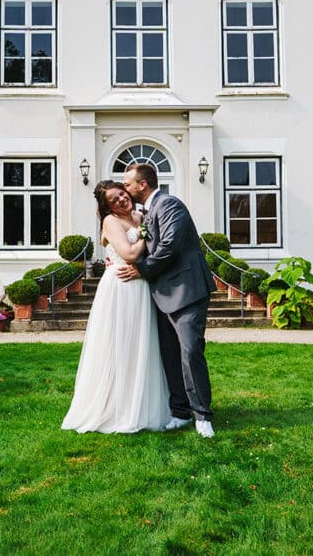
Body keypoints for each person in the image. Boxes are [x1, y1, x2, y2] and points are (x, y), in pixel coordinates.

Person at [61, 180, 171, 433]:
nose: (121, 199)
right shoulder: (111, 222)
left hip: (140, 285)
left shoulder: (139, 214)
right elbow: (130, 254)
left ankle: (142, 404)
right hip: (121, 286)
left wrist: (142, 224)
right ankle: (116, 407)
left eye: (122, 194)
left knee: (141, 343)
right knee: (120, 343)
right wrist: (143, 230)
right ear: (107, 206)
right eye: (113, 200)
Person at [115, 163, 217, 438]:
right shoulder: (147, 212)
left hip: (187, 290)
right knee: (170, 354)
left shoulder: (170, 204)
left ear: (143, 185)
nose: (125, 188)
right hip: (162, 293)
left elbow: (169, 246)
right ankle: (180, 412)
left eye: (128, 184)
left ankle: (202, 416)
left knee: (191, 351)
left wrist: (141, 269)